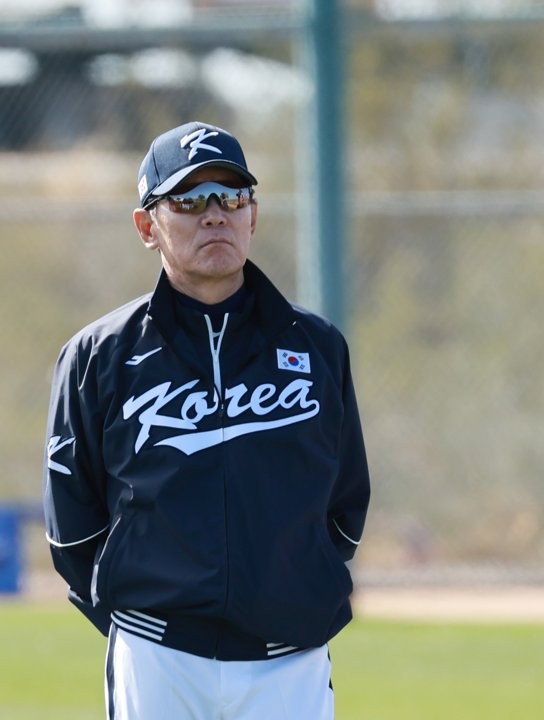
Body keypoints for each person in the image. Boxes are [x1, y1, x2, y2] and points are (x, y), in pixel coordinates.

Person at [43, 121, 371, 719]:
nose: (215, 214)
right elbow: (73, 531)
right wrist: (146, 614)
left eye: (232, 196)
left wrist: (287, 591)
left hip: (289, 656)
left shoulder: (318, 346)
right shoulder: (99, 356)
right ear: (148, 226)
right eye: (190, 201)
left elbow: (345, 504)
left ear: (254, 216)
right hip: (158, 655)